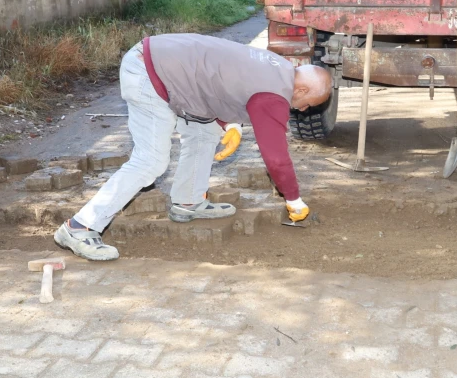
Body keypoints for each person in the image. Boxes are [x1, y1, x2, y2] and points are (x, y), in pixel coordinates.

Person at [54, 33, 333, 260]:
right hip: (150, 72)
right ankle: (80, 226)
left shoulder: (279, 69)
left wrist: (229, 124)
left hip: (164, 66)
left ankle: (188, 201)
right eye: (308, 104)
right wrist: (293, 198)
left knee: (205, 131)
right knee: (150, 161)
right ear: (303, 90)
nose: (304, 110)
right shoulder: (274, 94)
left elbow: (220, 84)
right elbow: (277, 158)